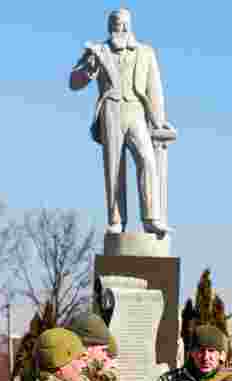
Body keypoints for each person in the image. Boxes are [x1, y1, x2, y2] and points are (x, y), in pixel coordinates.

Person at [70, 8, 174, 236]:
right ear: (110, 26)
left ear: (131, 26)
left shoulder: (146, 52)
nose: (122, 28)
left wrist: (159, 121)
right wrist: (88, 70)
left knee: (147, 160)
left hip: (136, 110)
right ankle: (116, 219)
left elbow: (154, 89)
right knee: (114, 167)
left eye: (125, 24)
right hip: (111, 109)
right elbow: (74, 83)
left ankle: (151, 218)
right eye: (117, 24)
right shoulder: (99, 50)